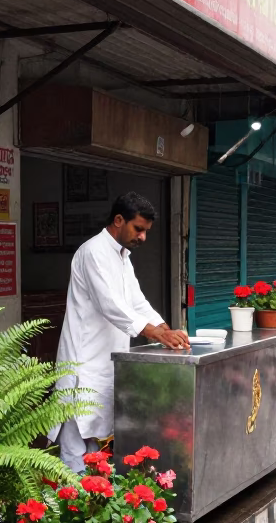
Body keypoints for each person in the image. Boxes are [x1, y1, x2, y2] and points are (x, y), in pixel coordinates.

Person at [47, 192, 191, 473]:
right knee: (75, 447)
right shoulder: (93, 252)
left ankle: (94, 506)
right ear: (118, 220)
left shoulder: (123, 257)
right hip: (83, 365)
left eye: (146, 231)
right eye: (139, 229)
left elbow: (136, 302)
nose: (143, 238)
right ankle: (70, 508)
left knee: (96, 447)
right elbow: (110, 305)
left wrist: (164, 328)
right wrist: (156, 335)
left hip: (107, 363)